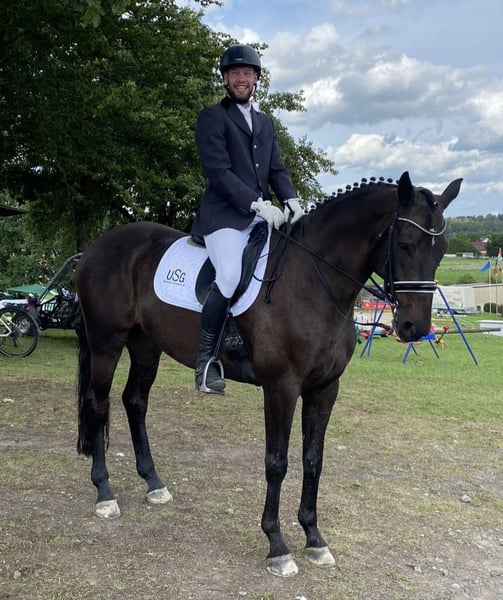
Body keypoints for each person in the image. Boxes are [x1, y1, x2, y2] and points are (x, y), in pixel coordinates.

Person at [191, 43, 304, 394]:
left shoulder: (265, 123)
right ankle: (206, 361)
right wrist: (256, 203)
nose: (241, 78)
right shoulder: (213, 117)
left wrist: (291, 199)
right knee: (229, 274)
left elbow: (276, 169)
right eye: (235, 73)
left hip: (260, 216)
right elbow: (219, 172)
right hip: (223, 216)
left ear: (256, 80)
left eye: (247, 73)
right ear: (225, 79)